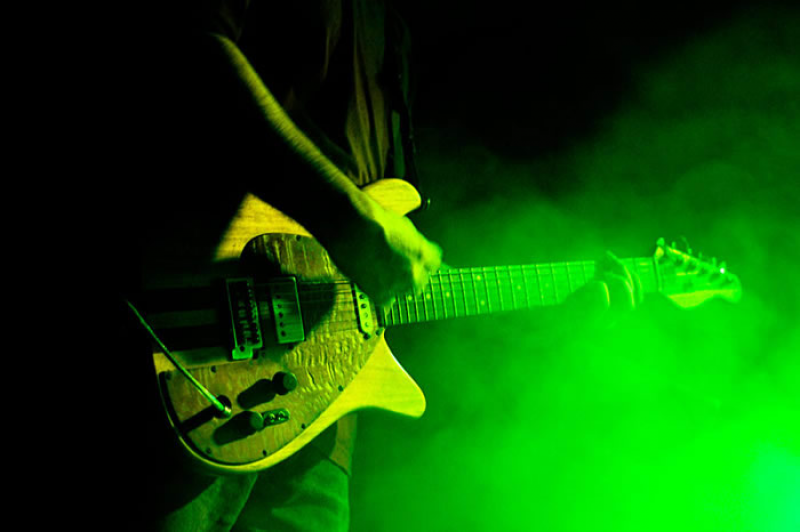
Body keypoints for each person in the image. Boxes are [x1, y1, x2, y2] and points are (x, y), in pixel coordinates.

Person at [106, 1, 641, 530]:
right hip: (189, 330)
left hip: (319, 419)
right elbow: (185, 49)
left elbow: (387, 276)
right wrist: (347, 217)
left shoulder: (393, 32)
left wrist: (547, 325)